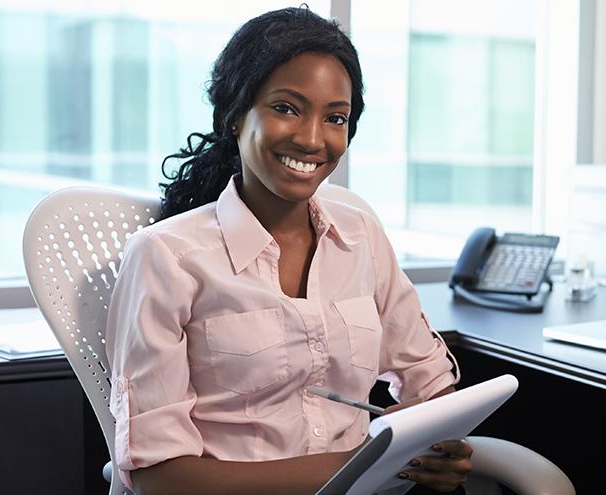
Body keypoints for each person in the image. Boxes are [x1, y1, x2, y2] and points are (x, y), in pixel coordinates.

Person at [105, 7, 471, 494]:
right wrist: (368, 459)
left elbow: (431, 385)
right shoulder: (166, 257)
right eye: (286, 108)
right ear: (235, 116)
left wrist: (434, 446)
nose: (313, 138)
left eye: (335, 118)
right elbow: (159, 475)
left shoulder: (361, 237)